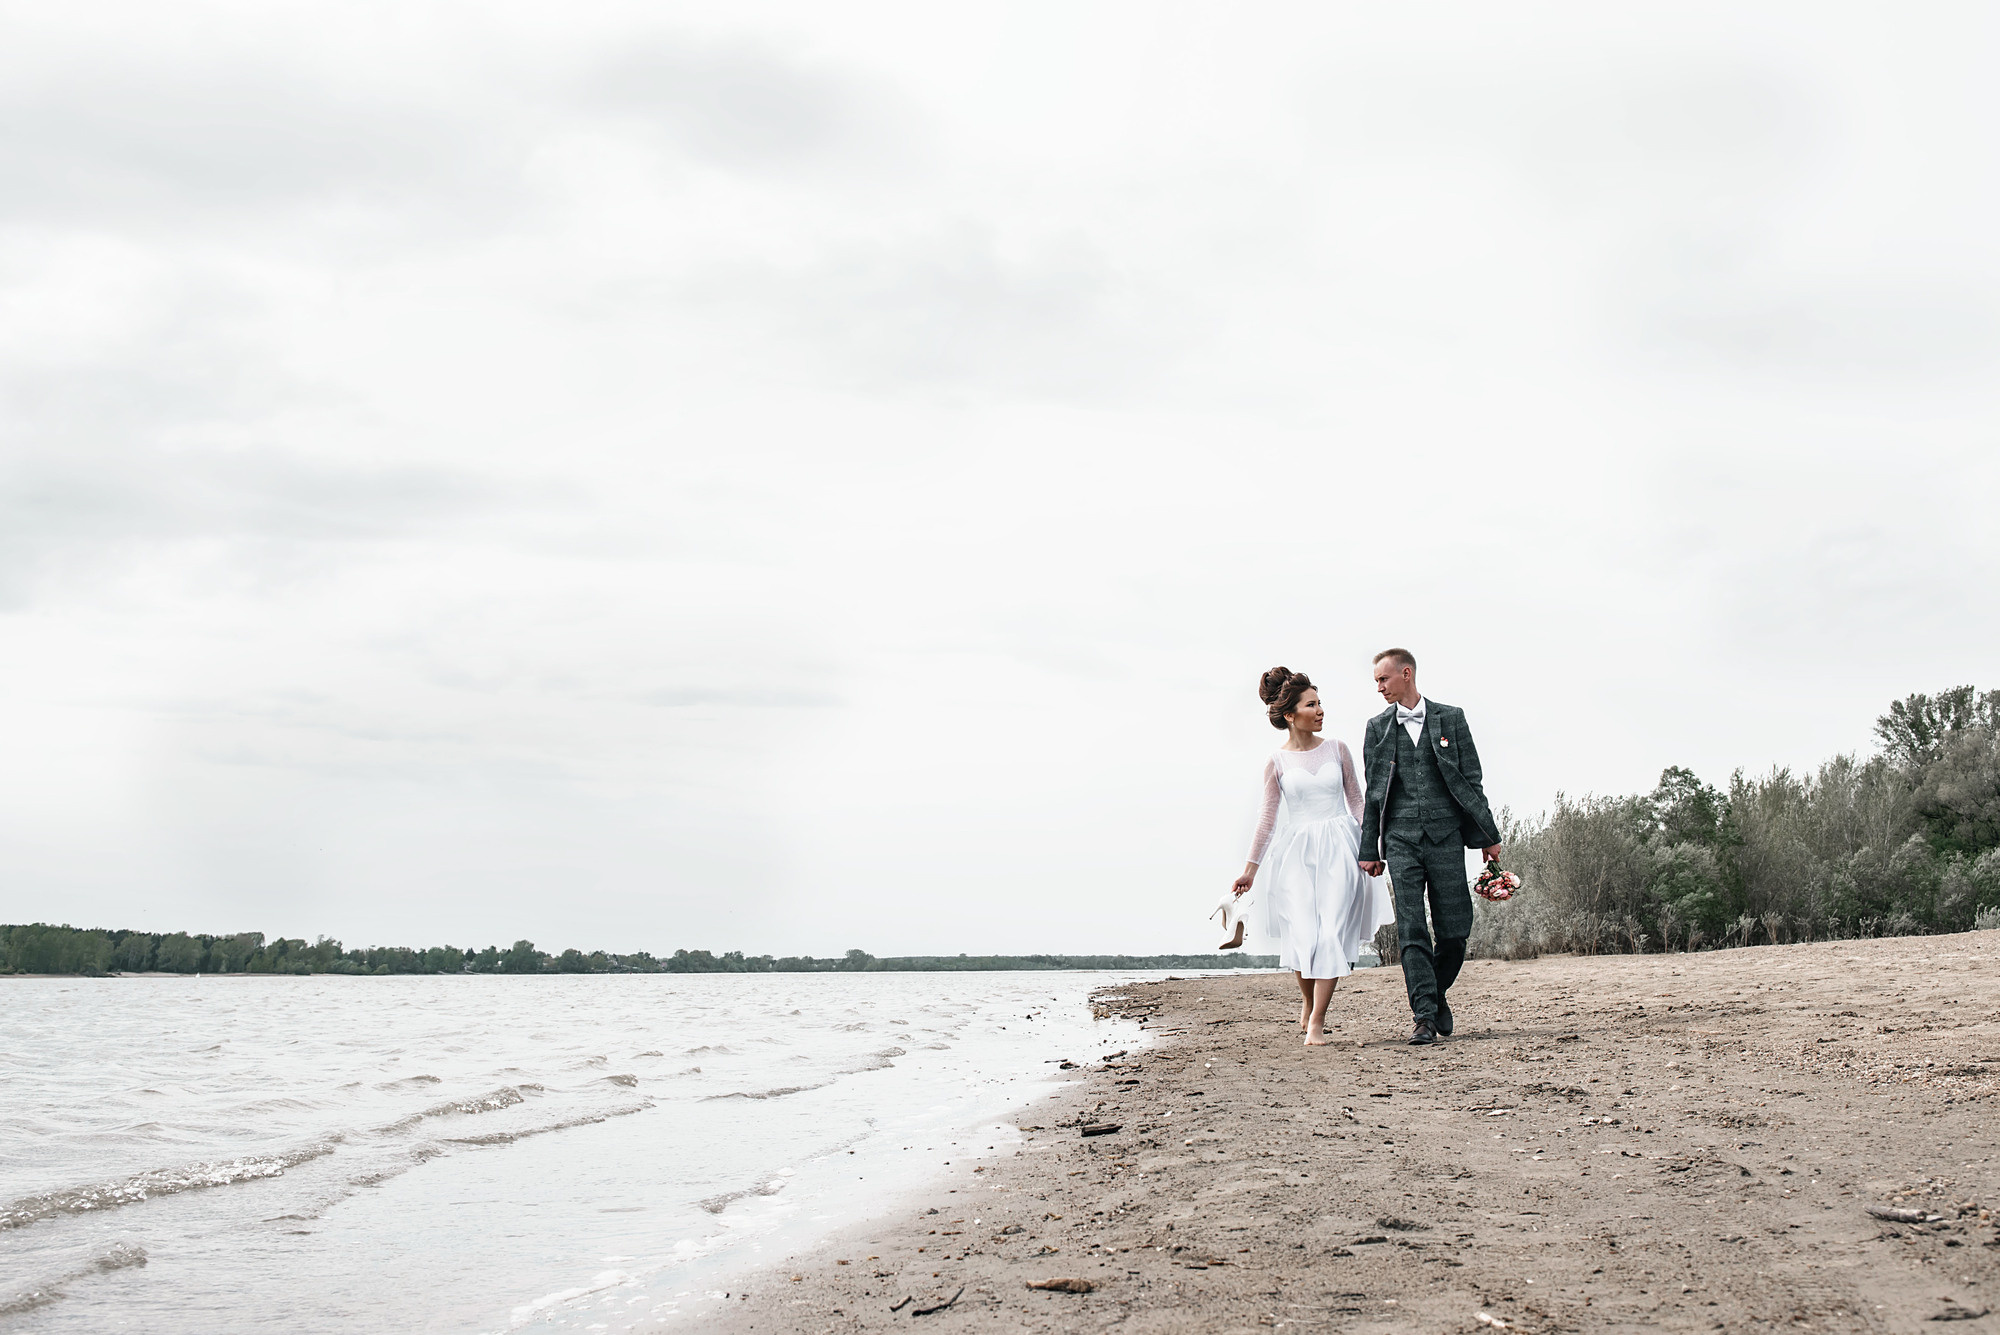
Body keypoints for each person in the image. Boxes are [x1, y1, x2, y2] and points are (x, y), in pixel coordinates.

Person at [1230, 666, 1394, 1047]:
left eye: (1320, 703)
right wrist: (1249, 871)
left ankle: (1317, 1022)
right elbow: (1267, 820)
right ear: (1290, 715)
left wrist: (1372, 847)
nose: (1320, 710)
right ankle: (1308, 1001)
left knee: (1331, 932)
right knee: (1304, 934)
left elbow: (1357, 801)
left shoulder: (1337, 749)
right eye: (1311, 704)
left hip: (1341, 846)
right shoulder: (1277, 762)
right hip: (1296, 856)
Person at [1357, 648, 1503, 1046]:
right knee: (1412, 930)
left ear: (1406, 674)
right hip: (1401, 842)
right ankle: (1423, 1015)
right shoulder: (1377, 728)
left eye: (1384, 680)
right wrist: (1369, 848)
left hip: (1446, 837)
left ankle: (1434, 994)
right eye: (1376, 681)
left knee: (1455, 931)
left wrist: (1488, 836)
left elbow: (1472, 779)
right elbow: (1374, 795)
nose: (1379, 687)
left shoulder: (1451, 718)